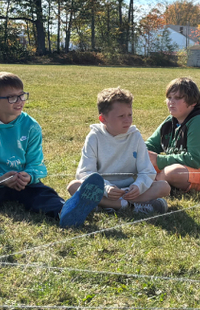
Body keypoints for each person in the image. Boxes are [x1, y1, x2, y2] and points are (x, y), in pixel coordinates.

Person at [0, 71, 104, 228]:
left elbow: (37, 165)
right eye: (12, 97)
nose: (20, 101)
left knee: (44, 194)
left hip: (25, 184)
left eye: (22, 95)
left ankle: (66, 212)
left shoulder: (31, 126)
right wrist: (0, 179)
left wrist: (29, 176)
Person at [71, 87, 170, 216]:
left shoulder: (135, 136)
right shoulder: (94, 137)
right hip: (103, 190)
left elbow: (147, 171)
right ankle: (129, 206)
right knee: (73, 186)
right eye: (121, 116)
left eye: (130, 115)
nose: (127, 120)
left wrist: (138, 186)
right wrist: (106, 188)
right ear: (103, 119)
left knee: (164, 187)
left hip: (129, 191)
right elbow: (85, 172)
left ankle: (105, 205)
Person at [146, 77, 200, 192]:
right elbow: (149, 146)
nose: (171, 102)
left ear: (193, 102)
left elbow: (195, 160)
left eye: (178, 98)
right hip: (183, 168)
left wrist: (158, 160)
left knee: (173, 172)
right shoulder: (170, 121)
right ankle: (153, 180)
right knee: (140, 162)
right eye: (169, 97)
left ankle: (152, 183)